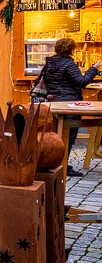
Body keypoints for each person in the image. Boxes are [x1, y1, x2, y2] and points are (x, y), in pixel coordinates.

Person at [43, 37, 102, 177]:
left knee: (56, 135)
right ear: (71, 49)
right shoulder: (69, 64)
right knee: (68, 135)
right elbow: (82, 81)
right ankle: (63, 165)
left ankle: (55, 162)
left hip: (55, 103)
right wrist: (93, 69)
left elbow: (46, 81)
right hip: (70, 103)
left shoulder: (50, 63)